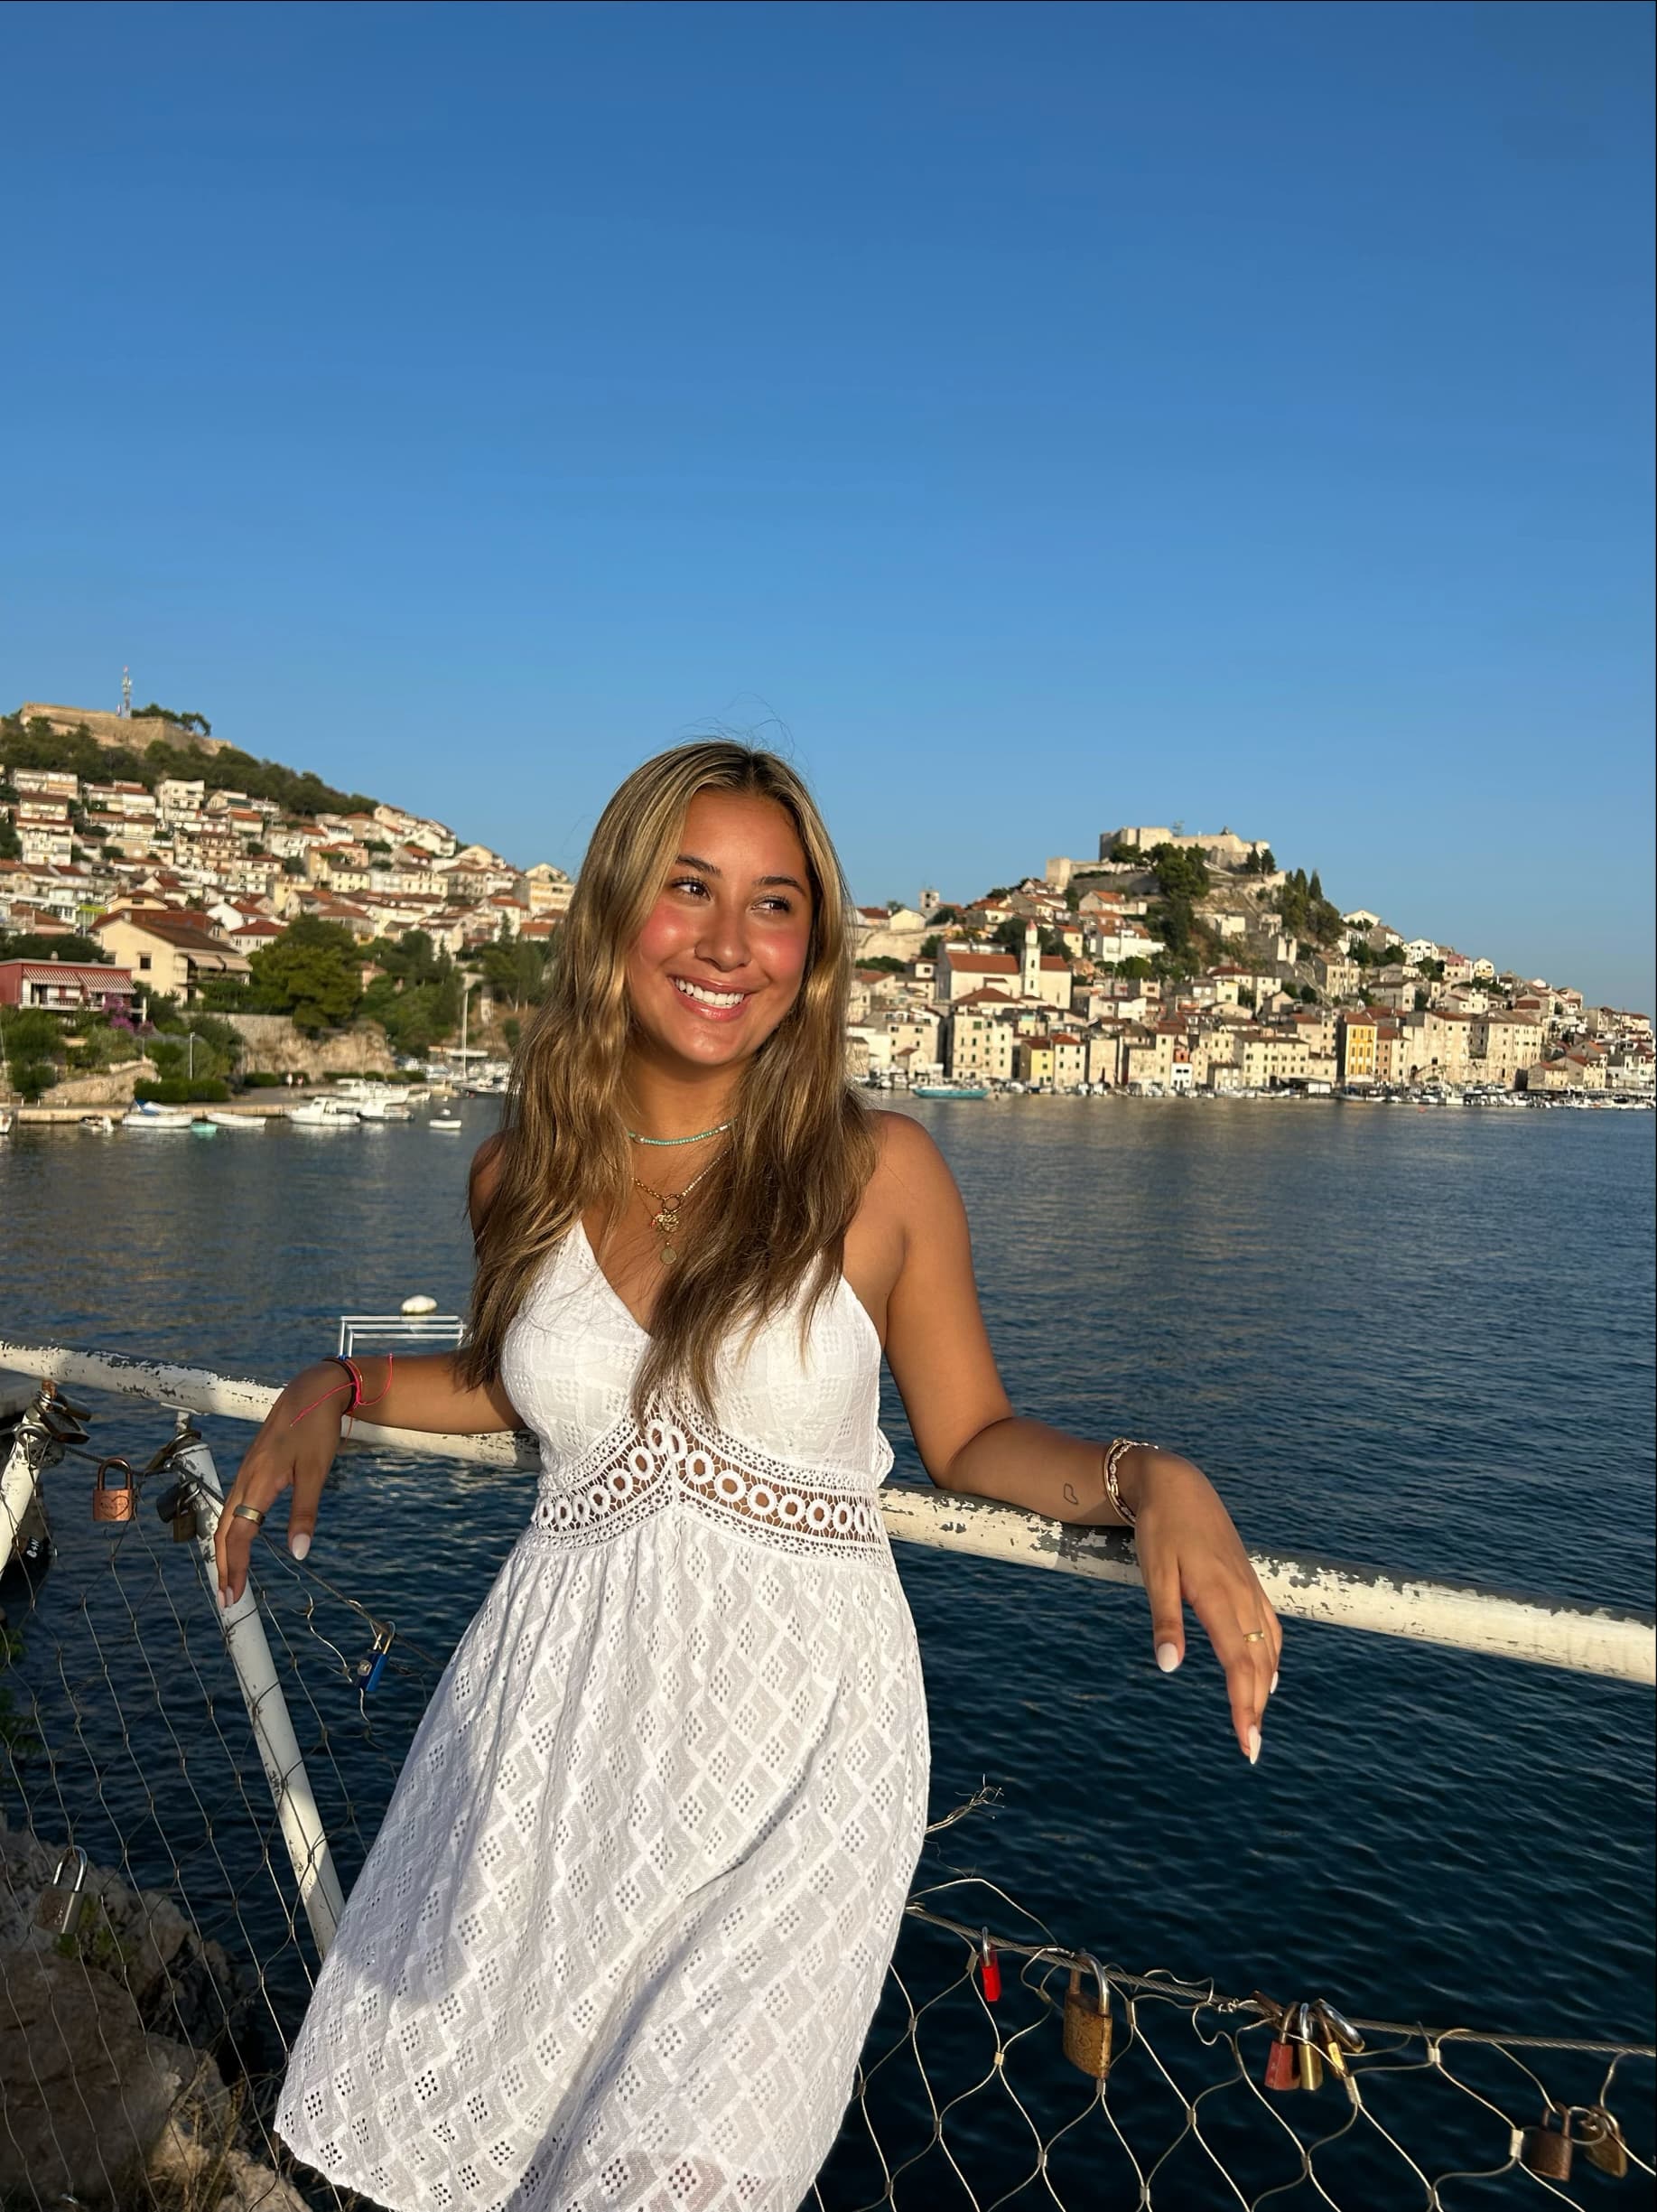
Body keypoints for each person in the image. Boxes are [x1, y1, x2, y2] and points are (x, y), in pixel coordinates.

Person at [220, 741, 1280, 2212]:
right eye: (690, 889)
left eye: (774, 904)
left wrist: (1152, 1473)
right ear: (614, 913)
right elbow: (524, 1386)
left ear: (815, 946)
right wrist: (334, 1384)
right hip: (555, 1732)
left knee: (689, 2172)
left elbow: (969, 1434)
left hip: (800, 1751)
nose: (729, 943)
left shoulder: (879, 1170)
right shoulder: (515, 1170)